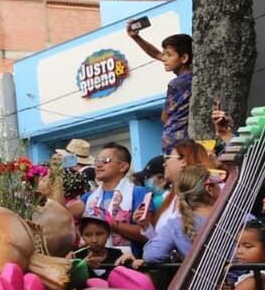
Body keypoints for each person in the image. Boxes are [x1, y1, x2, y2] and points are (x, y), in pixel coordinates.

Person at [126, 24, 192, 152]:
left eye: (168, 55)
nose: (164, 59)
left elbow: (164, 117)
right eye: (164, 54)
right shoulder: (195, 76)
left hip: (176, 143)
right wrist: (136, 38)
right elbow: (156, 54)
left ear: (184, 58)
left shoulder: (177, 83)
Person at [82, 143, 153, 255]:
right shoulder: (89, 197)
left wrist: (114, 225)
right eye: (97, 161)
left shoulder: (139, 193)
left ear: (123, 166)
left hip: (129, 262)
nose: (98, 165)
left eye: (106, 160)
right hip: (96, 264)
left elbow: (147, 234)